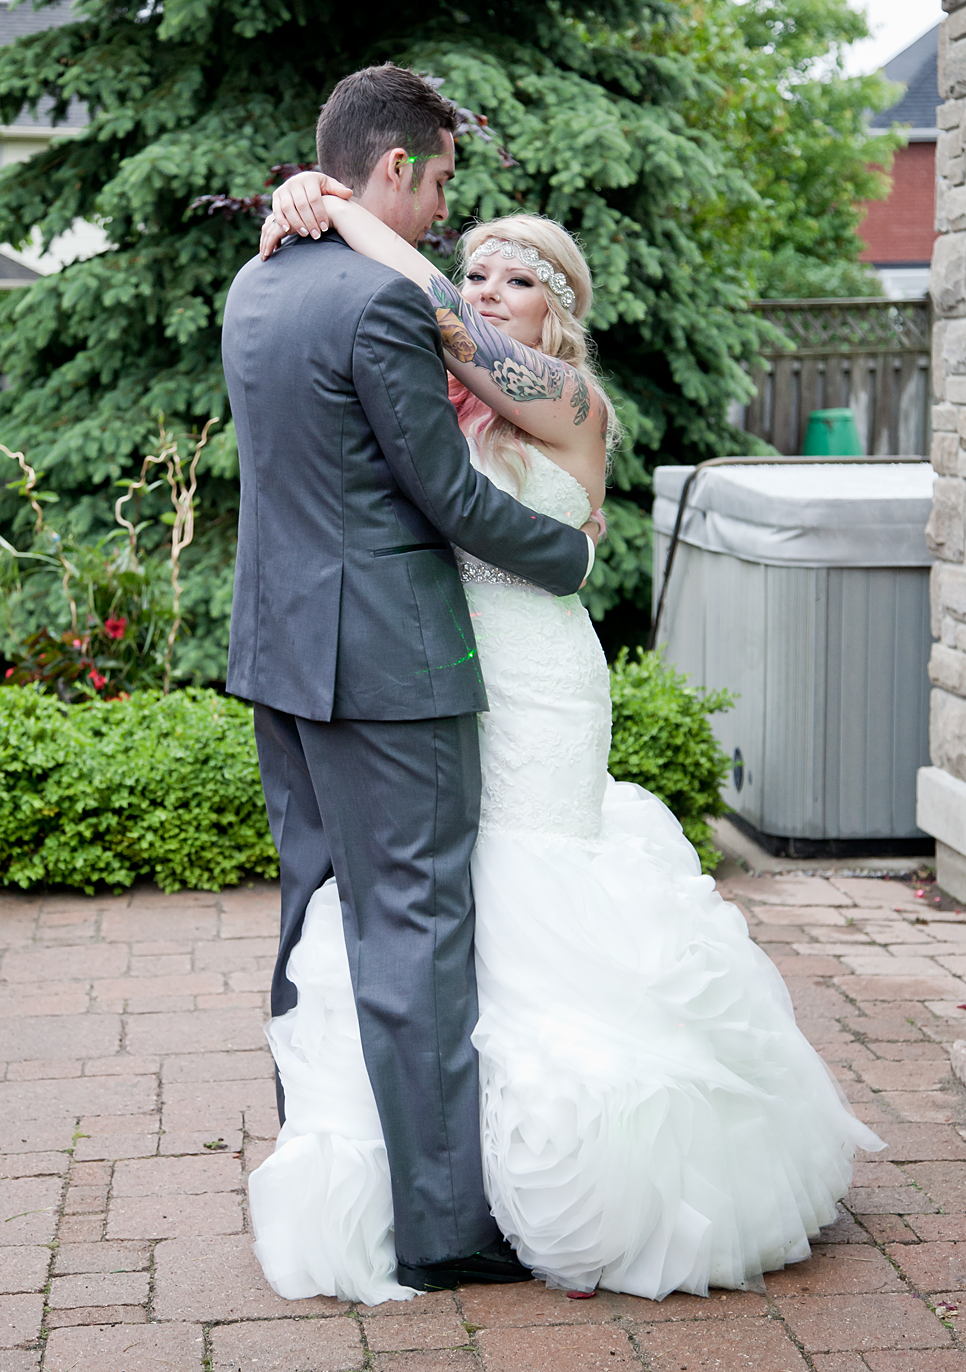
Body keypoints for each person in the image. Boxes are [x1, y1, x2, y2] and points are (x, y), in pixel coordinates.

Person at [249, 128, 884, 1305]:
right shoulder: (453, 400)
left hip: (535, 677)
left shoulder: (566, 399)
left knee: (534, 890)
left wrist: (330, 203)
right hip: (429, 671)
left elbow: (435, 312)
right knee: (450, 907)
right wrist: (323, 205)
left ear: (561, 311)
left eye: (518, 278)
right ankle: (455, 1168)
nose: (488, 289)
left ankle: (574, 1176)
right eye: (480, 268)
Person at [221, 63, 601, 1300]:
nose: (445, 208)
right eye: (438, 180)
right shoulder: (385, 304)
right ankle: (441, 1227)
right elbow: (443, 495)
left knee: (316, 912)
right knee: (420, 929)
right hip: (390, 658)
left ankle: (320, 1149)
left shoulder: (256, 282)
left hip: (283, 649)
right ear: (393, 170)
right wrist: (569, 558)